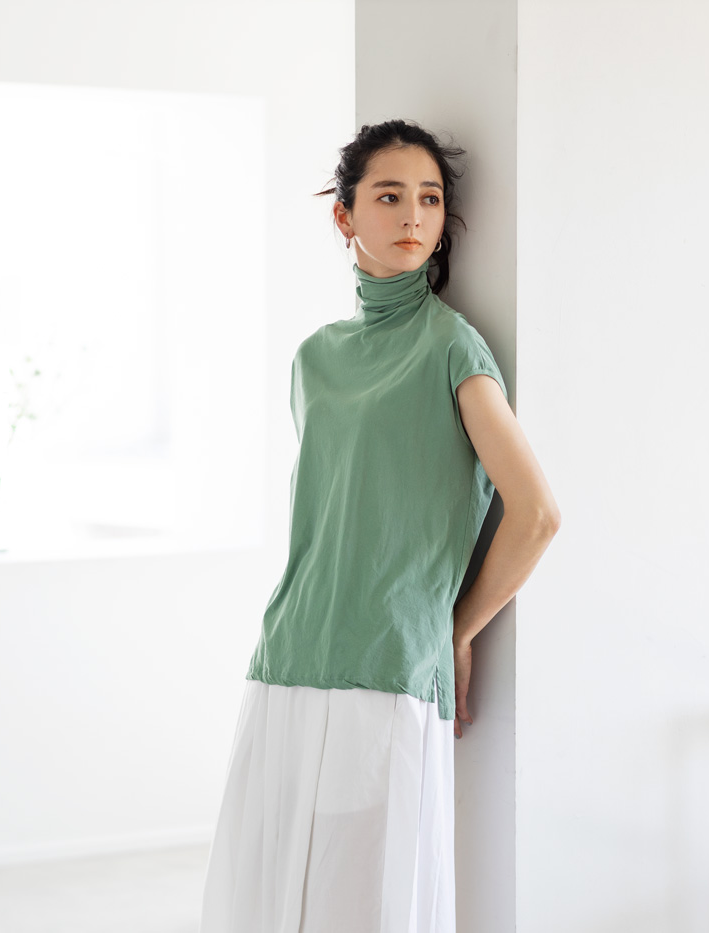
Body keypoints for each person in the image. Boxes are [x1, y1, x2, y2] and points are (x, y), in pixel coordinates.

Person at [198, 118, 561, 933]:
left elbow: (537, 514)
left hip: (389, 668)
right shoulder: (314, 357)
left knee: (365, 909)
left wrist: (456, 630)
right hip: (289, 655)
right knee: (270, 907)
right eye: (390, 196)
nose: (412, 216)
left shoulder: (452, 348)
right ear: (345, 215)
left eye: (429, 199)